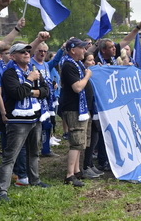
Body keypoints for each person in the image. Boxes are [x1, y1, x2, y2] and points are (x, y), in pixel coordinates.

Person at [0, 43, 50, 202]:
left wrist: (32, 91)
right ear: (13, 56)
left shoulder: (32, 71)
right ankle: (2, 191)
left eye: (28, 51)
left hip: (35, 118)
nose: (27, 54)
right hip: (17, 121)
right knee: (10, 156)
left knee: (34, 152)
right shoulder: (9, 73)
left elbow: (45, 91)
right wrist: (29, 81)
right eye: (22, 52)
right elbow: (17, 94)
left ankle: (34, 180)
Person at [60, 38, 93, 187]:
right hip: (73, 109)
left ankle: (77, 170)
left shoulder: (77, 63)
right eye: (82, 48)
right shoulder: (68, 65)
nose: (85, 51)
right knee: (76, 141)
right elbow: (77, 87)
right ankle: (69, 175)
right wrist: (87, 76)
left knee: (81, 142)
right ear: (73, 50)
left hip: (80, 108)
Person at [30, 42, 64, 157]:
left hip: (48, 99)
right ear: (35, 51)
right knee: (37, 127)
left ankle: (46, 149)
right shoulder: (31, 63)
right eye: (40, 51)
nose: (43, 53)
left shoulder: (45, 64)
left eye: (45, 51)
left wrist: (62, 49)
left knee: (48, 124)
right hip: (36, 99)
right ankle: (35, 151)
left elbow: (55, 61)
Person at [80, 52, 104, 179]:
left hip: (96, 110)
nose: (93, 62)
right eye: (89, 60)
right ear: (84, 63)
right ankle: (85, 166)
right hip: (87, 109)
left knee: (95, 137)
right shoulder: (83, 74)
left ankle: (90, 163)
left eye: (93, 60)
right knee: (89, 139)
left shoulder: (94, 72)